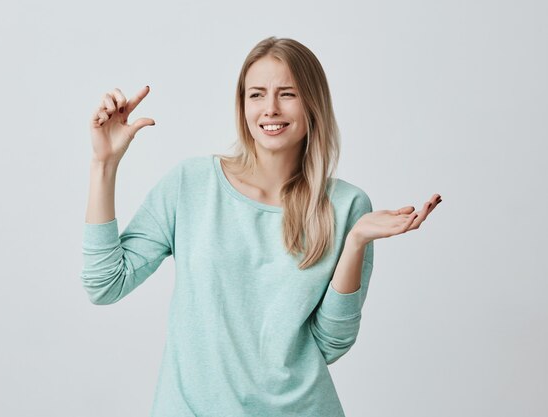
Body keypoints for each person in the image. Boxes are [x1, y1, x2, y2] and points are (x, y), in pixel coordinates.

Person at [81, 36, 441, 417]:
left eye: (287, 94)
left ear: (312, 103)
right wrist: (103, 165)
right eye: (256, 94)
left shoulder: (348, 207)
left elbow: (331, 344)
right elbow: (105, 284)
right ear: (242, 105)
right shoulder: (190, 184)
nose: (270, 109)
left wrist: (354, 243)